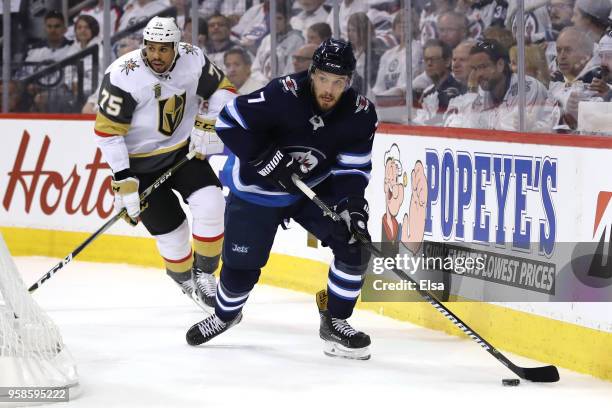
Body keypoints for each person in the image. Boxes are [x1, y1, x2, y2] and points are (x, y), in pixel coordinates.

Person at [186, 39, 379, 360]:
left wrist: (354, 209)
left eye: (338, 82)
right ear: (312, 73)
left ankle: (335, 320)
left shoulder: (360, 113)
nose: (329, 89)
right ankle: (225, 314)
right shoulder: (282, 93)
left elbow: (354, 169)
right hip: (256, 191)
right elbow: (229, 122)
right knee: (240, 270)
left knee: (354, 246)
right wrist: (268, 160)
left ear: (349, 82)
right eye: (323, 79)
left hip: (311, 189)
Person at [93, 17, 236, 309]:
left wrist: (209, 121)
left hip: (182, 153)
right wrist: (123, 181)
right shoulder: (123, 74)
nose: (155, 55)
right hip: (139, 167)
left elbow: (223, 88)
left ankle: (206, 274)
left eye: (163, 49)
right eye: (151, 48)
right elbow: (107, 134)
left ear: (176, 48)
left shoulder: (193, 58)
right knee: (174, 233)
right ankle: (184, 278)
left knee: (212, 204)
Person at [444, 39, 552, 131]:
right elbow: (468, 130)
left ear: (500, 65)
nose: (478, 74)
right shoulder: (482, 96)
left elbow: (513, 133)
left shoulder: (527, 87)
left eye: (483, 67)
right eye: (475, 69)